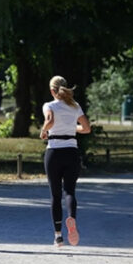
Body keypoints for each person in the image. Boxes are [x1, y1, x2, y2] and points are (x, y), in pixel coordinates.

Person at [39, 75, 91, 247]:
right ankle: (72, 219)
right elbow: (86, 128)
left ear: (51, 90)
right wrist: (71, 128)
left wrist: (43, 131)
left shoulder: (49, 105)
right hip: (71, 152)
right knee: (69, 191)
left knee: (55, 194)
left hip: (54, 152)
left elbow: (50, 121)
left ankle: (58, 236)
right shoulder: (75, 106)